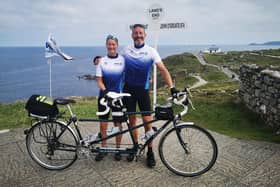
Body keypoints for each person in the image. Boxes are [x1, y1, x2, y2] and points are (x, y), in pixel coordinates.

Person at [122, 24, 178, 168]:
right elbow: (119, 67)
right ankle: (135, 147)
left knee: (148, 123)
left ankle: (150, 151)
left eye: (141, 33)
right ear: (132, 35)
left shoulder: (151, 51)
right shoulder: (126, 50)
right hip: (128, 91)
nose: (138, 35)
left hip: (143, 92)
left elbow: (163, 70)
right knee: (132, 121)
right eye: (136, 33)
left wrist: (172, 88)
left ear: (145, 35)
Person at [95, 35, 125, 161]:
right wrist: (106, 92)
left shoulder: (123, 60)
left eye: (113, 44)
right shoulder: (102, 61)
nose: (111, 46)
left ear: (117, 45)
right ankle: (104, 148)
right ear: (106, 45)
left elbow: (129, 75)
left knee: (118, 124)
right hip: (104, 97)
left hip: (118, 97)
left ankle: (118, 149)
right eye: (109, 44)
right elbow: (99, 80)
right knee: (103, 125)